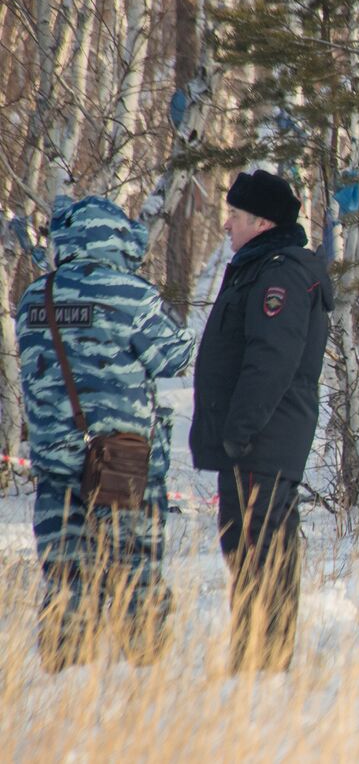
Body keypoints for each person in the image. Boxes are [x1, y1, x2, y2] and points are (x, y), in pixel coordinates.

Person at [16, 196, 194, 672]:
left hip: (56, 470)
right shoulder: (131, 293)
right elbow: (175, 356)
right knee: (137, 574)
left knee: (65, 580)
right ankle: (143, 675)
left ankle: (65, 682)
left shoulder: (36, 297)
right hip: (124, 467)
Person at [190, 169, 333, 672]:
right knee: (246, 549)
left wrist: (240, 430)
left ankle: (262, 665)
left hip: (260, 441)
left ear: (262, 221)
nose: (227, 226)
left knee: (260, 551)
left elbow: (272, 357)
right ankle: (254, 659)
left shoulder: (279, 273)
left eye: (234, 216)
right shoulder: (259, 266)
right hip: (253, 442)